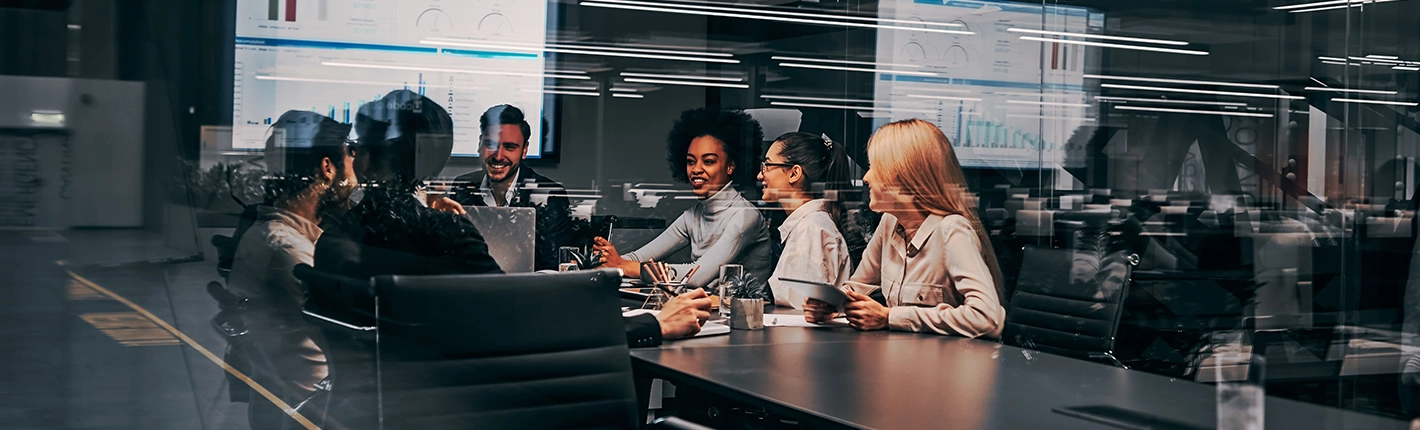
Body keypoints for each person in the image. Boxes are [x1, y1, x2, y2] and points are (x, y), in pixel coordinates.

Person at [805, 119, 1006, 338]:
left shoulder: (952, 231)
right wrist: (830, 303)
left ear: (902, 175)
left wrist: (890, 317)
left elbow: (987, 318)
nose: (865, 177)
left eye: (874, 167)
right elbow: (859, 285)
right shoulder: (889, 222)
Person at [225, 110, 357, 429]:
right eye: (351, 151)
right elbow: (360, 327)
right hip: (323, 408)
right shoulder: (290, 251)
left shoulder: (272, 233)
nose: (357, 164)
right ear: (327, 168)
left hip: (290, 399)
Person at [315, 89, 503, 278]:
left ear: (367, 162)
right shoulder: (450, 234)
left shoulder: (338, 236)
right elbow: (508, 299)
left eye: (356, 148)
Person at [593, 107, 775, 289]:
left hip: (749, 314)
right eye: (690, 161)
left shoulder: (745, 216)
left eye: (709, 161)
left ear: (730, 166)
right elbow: (637, 258)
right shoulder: (693, 216)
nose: (696, 169)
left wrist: (625, 266)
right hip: (707, 311)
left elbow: (696, 275)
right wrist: (608, 259)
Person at [452, 104, 573, 271]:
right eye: (491, 145)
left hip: (526, 292)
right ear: (480, 144)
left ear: (524, 150)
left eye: (510, 147)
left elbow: (552, 267)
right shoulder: (463, 187)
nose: (499, 156)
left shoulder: (549, 195)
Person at [759, 132, 862, 308]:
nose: (760, 175)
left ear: (794, 173)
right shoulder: (809, 224)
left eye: (767, 165)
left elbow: (803, 309)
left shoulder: (811, 229)